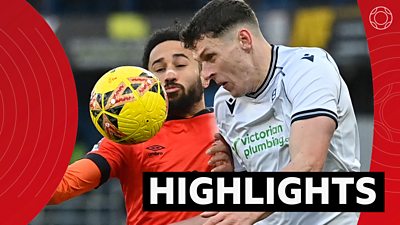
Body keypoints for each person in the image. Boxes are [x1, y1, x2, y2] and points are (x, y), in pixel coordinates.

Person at [180, 0, 360, 224]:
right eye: (200, 64)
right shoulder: (224, 101)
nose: (205, 77)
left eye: (210, 58)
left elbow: (308, 163)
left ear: (244, 40)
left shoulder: (308, 68)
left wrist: (248, 211)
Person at [48, 25, 232, 225]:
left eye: (180, 64)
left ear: (204, 73)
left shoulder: (231, 126)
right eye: (159, 69)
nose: (169, 75)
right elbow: (59, 188)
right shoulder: (126, 136)